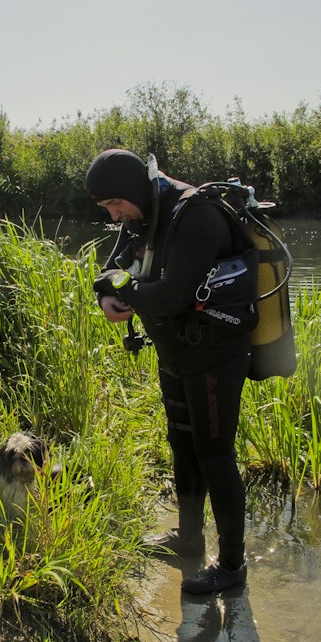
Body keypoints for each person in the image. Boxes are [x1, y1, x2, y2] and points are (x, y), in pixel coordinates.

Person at [87, 148, 254, 596]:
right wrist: (109, 296)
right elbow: (108, 272)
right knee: (181, 443)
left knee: (215, 455)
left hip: (217, 355)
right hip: (176, 351)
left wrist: (125, 288)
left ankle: (233, 566)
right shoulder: (141, 216)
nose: (115, 215)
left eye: (114, 205)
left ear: (131, 190)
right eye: (107, 209)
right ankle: (189, 538)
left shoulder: (196, 215)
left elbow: (170, 297)